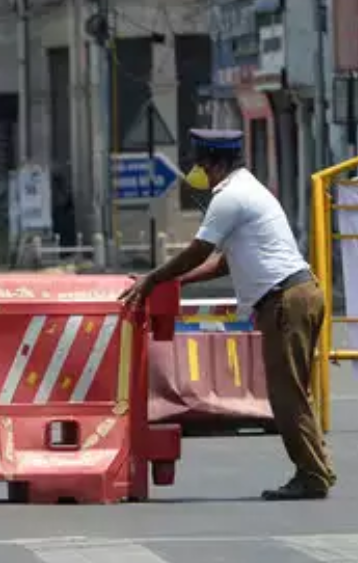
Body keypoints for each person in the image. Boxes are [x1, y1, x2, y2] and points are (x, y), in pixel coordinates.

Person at [119, 128, 337, 500]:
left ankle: (312, 475)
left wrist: (154, 279)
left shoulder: (230, 197)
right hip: (300, 293)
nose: (198, 170)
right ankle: (316, 468)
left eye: (201, 163)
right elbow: (223, 262)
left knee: (286, 395)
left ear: (217, 164)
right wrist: (180, 281)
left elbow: (199, 250)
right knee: (293, 391)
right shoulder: (249, 189)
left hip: (285, 299)